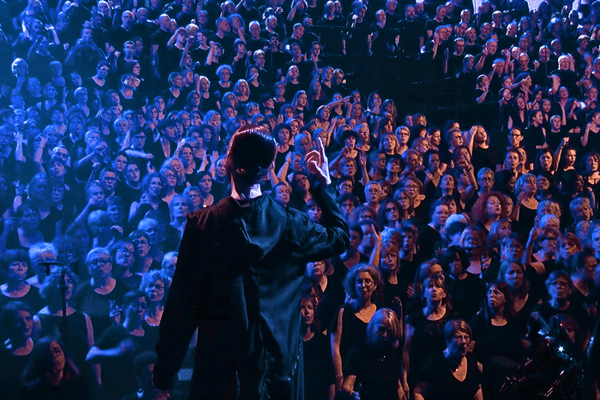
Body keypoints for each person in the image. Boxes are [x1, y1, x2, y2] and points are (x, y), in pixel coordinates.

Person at [152, 125, 349, 400]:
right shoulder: (291, 224)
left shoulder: (204, 226)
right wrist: (322, 184)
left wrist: (164, 376)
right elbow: (339, 237)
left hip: (221, 373)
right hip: (279, 372)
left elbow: (182, 306)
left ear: (227, 162)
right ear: (270, 166)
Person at [413, 319, 484, 400]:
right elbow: (418, 392)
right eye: (459, 337)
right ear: (448, 340)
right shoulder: (434, 365)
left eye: (466, 337)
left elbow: (477, 389)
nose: (463, 342)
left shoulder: (472, 362)